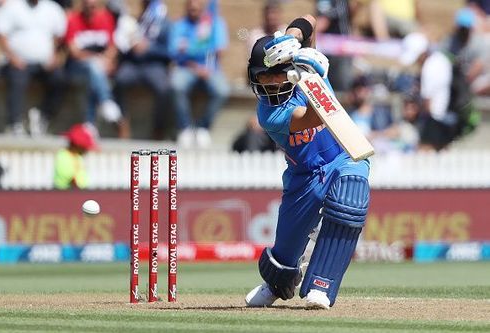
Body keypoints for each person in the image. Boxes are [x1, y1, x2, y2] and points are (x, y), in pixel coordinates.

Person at [244, 15, 371, 309]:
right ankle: (277, 283)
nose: (270, 82)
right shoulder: (268, 114)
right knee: (284, 255)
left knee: (349, 200)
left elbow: (310, 21)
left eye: (275, 74)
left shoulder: (303, 66)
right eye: (263, 76)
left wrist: (292, 38)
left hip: (343, 156)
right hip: (304, 175)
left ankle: (321, 286)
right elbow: (315, 116)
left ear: (287, 67)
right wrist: (317, 76)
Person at [0, 0, 67, 136]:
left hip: (44, 63)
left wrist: (54, 56)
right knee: (17, 79)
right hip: (18, 62)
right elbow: (0, 34)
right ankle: (14, 124)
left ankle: (43, 116)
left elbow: (59, 36)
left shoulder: (53, 9)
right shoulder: (12, 7)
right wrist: (12, 57)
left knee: (59, 79)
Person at [400, 32, 478, 150]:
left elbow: (428, 103)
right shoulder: (440, 60)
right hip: (447, 118)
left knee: (426, 154)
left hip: (436, 121)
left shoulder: (430, 67)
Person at [169, 0, 230, 148]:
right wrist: (195, 63)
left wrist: (192, 50)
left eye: (196, 10)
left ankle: (203, 127)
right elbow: (173, 52)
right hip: (186, 68)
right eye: (191, 10)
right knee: (176, 85)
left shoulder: (214, 23)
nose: (193, 12)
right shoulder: (179, 25)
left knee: (223, 90)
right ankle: (185, 127)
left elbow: (220, 49)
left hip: (210, 69)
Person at [65, 0, 126, 137]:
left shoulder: (106, 18)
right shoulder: (73, 20)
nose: (90, 9)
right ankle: (106, 102)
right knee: (93, 67)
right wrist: (98, 60)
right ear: (82, 5)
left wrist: (108, 60)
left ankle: (90, 124)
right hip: (76, 68)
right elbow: (74, 52)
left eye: (93, 6)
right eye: (87, 6)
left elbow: (112, 47)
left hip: (99, 68)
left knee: (94, 75)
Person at [113, 0, 172, 140]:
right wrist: (132, 46)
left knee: (164, 88)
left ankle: (158, 128)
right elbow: (124, 45)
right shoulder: (137, 21)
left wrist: (149, 48)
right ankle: (122, 123)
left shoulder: (166, 23)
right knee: (119, 80)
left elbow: (170, 52)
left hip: (155, 65)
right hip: (134, 64)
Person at [53, 123, 98, 190]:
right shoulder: (63, 156)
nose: (86, 150)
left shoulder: (78, 157)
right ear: (77, 146)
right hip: (64, 192)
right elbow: (70, 178)